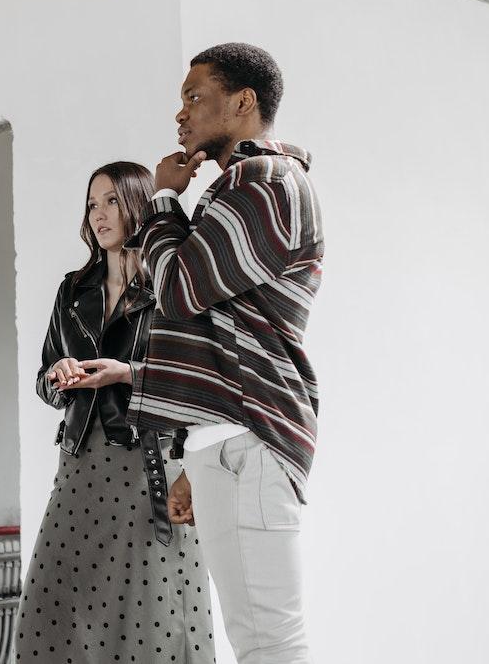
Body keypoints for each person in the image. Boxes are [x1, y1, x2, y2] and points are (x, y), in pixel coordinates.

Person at [63, 44, 323, 663]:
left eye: (194, 97)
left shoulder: (268, 182)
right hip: (225, 443)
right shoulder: (233, 189)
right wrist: (186, 455)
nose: (180, 114)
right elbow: (208, 328)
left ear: (242, 103)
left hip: (248, 438)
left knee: (268, 643)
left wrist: (159, 200)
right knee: (257, 640)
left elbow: (178, 288)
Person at [15, 162, 215, 664]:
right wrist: (58, 374)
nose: (99, 214)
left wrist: (125, 373)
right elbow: (44, 380)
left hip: (148, 465)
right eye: (91, 204)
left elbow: (194, 381)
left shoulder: (170, 289)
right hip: (80, 463)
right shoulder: (73, 290)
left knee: (150, 612)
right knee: (52, 608)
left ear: (136, 205)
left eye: (110, 201)